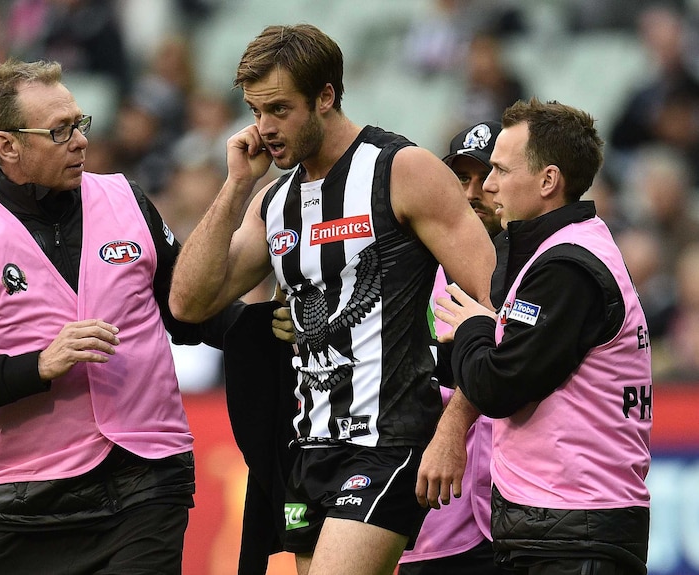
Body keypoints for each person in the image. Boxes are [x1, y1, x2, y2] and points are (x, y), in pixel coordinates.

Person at [168, 24, 495, 575]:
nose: (265, 129)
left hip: (390, 439)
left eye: (279, 109)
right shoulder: (275, 198)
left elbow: (497, 304)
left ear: (325, 97)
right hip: (306, 445)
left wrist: (453, 423)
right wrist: (236, 186)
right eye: (254, 111)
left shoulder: (402, 170)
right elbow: (188, 303)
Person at [0, 58, 239, 575]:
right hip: (31, 502)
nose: (80, 140)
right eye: (59, 131)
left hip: (148, 482)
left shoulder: (128, 198)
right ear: (7, 145)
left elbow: (185, 312)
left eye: (80, 123)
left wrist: (262, 326)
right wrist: (38, 366)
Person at [433, 98, 652, 575]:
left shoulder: (565, 266)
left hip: (575, 529)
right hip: (559, 528)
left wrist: (473, 325)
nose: (488, 186)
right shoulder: (562, 250)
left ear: (548, 181)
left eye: (499, 170)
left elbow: (498, 386)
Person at [399, 120, 504, 575]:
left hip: (521, 515)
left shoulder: (544, 274)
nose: (474, 192)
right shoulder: (412, 275)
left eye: (486, 177)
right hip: (439, 513)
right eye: (462, 178)